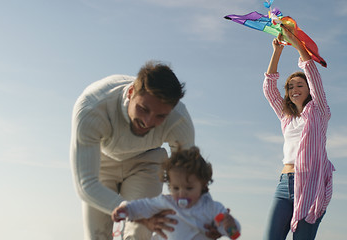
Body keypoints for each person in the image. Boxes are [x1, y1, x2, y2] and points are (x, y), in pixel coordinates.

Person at [70, 61, 218, 240]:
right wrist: (136, 213)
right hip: (102, 163)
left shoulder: (179, 121)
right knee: (97, 236)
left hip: (147, 163)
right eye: (143, 109)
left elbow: (190, 174)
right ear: (131, 92)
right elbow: (86, 184)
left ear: (171, 110)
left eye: (160, 116)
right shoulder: (92, 108)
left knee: (140, 234)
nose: (148, 122)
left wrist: (208, 217)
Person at [262, 27, 335, 240]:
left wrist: (296, 43)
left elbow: (312, 73)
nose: (294, 89)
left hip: (310, 186)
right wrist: (276, 52)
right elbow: (269, 88)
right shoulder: (286, 117)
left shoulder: (320, 111)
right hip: (285, 184)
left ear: (309, 89)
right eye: (290, 86)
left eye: (300, 85)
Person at [111, 146, 241, 240]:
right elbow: (143, 206)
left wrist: (229, 226)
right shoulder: (166, 202)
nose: (182, 193)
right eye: (175, 188)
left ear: (203, 184)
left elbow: (227, 229)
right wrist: (126, 209)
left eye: (189, 188)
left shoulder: (212, 207)